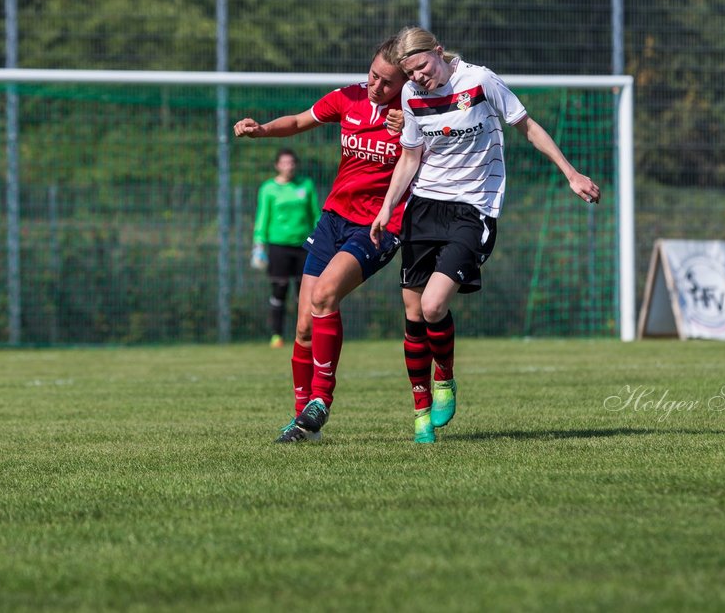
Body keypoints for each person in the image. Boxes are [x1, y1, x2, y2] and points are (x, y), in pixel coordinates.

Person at [370, 26, 601, 443]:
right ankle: (421, 413)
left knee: (434, 305)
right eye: (411, 74)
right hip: (424, 207)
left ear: (438, 52)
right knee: (413, 314)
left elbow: (526, 126)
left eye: (422, 68)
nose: (419, 79)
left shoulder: (480, 81)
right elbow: (410, 156)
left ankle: (446, 379)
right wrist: (388, 206)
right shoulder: (411, 96)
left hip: (473, 207)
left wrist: (570, 173)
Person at [234, 38, 409, 443]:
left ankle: (321, 401)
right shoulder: (347, 99)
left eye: (386, 82)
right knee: (303, 327)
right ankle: (302, 424)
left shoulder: (413, 113)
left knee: (326, 295)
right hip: (333, 220)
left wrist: (415, 126)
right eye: (373, 75)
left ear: (403, 83)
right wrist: (262, 130)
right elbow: (297, 122)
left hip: (379, 226)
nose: (375, 85)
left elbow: (438, 151)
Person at [251, 148, 320, 349]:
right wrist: (258, 244)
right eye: (284, 163)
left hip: (304, 245)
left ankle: (305, 334)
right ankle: (276, 335)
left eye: (291, 162)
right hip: (278, 246)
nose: (288, 166)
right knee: (279, 289)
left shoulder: (305, 185)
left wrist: (320, 238)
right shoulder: (268, 189)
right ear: (277, 166)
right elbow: (262, 217)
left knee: (305, 293)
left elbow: (315, 213)